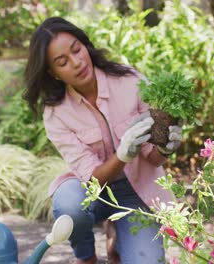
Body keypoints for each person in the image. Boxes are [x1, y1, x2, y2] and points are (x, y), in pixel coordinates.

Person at [23, 17, 182, 264]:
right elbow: (91, 179)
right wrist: (122, 155)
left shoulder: (129, 80)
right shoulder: (56, 114)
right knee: (69, 207)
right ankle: (86, 258)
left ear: (85, 45)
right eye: (62, 62)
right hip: (91, 191)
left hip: (135, 192)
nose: (76, 63)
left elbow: (152, 157)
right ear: (52, 73)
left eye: (77, 49)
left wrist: (165, 147)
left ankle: (117, 234)